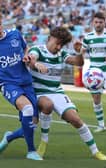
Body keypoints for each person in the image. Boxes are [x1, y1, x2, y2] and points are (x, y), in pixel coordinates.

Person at [24, 27, 106, 160]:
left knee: (76, 120)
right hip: (39, 92)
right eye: (57, 43)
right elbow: (31, 58)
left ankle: (95, 151)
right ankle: (44, 141)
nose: (59, 47)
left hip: (57, 92)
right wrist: (35, 64)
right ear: (49, 38)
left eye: (61, 44)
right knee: (47, 105)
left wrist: (80, 52)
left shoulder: (62, 54)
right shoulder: (38, 49)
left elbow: (78, 63)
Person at [0, 14, 42, 160]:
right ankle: (31, 151)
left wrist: (27, 56)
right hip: (8, 84)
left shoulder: (15, 34)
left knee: (32, 124)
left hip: (26, 81)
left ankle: (9, 137)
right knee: (28, 108)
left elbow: (26, 49)